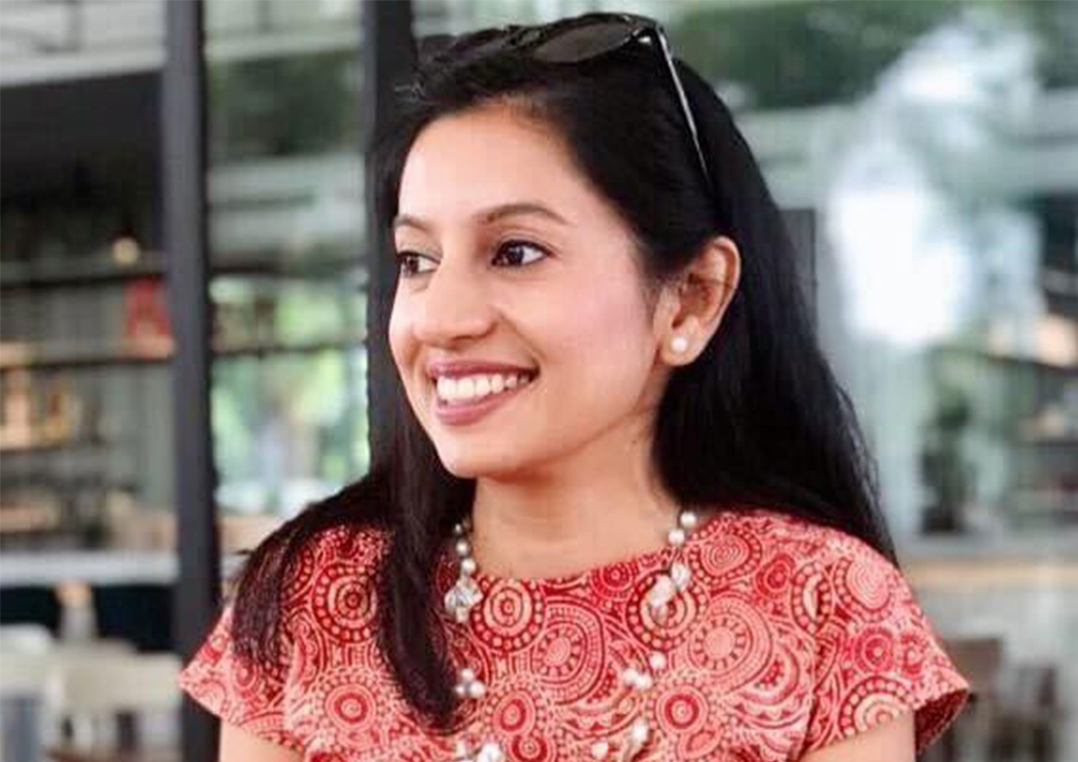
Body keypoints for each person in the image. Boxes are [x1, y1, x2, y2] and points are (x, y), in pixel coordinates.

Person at [179, 12, 970, 762]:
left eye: (516, 252)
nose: (440, 319)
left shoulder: (826, 605)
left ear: (691, 297)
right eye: (417, 260)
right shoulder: (311, 601)